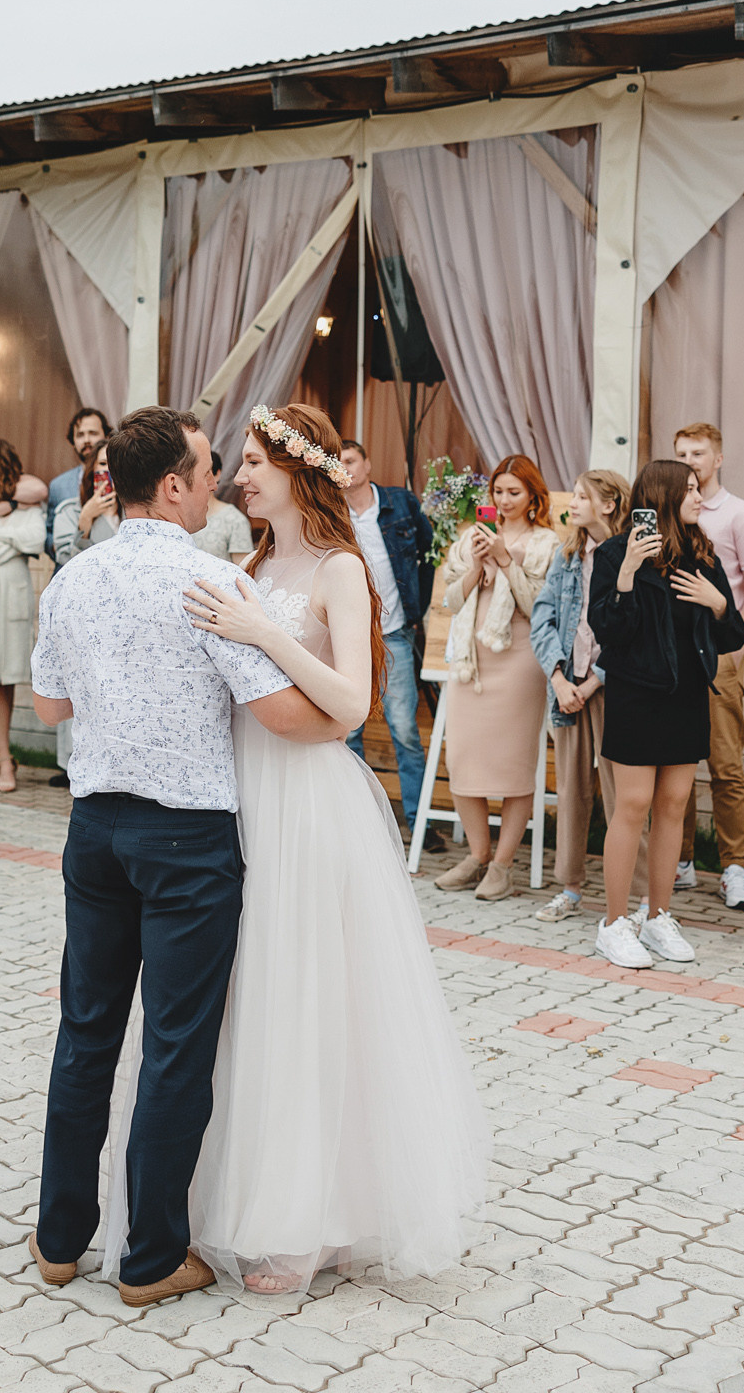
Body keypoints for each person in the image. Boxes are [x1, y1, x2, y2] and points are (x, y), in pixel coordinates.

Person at [131, 401, 489, 1299]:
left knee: (308, 994)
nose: (239, 476)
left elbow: (354, 701)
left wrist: (263, 632)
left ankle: (313, 1217)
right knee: (245, 994)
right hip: (241, 792)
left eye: (252, 460)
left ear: (297, 469)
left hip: (309, 799)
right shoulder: (246, 561)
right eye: (237, 461)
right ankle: (242, 1192)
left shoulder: (337, 569)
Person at [23, 405, 347, 1308]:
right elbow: (282, 715)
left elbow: (49, 709)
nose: (222, 485)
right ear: (171, 485)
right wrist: (342, 727)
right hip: (186, 840)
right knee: (174, 1046)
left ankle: (59, 1239)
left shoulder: (71, 581)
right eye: (208, 470)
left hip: (94, 831)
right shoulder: (210, 584)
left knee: (86, 1032)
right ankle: (154, 1256)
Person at [587, 460, 744, 969]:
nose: (700, 498)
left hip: (686, 697)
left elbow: (732, 637)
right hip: (636, 695)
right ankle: (613, 925)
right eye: (692, 490)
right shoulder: (614, 553)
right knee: (632, 806)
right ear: (663, 496)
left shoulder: (703, 555)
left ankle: (657, 917)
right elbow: (608, 630)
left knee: (674, 804)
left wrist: (718, 602)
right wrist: (631, 571)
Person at [430, 456, 559, 900]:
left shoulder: (547, 544)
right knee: (463, 758)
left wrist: (507, 562)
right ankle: (477, 856)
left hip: (520, 661)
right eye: (498, 493)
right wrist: (475, 569)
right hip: (470, 659)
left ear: (532, 497)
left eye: (513, 493)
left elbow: (540, 605)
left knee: (514, 764)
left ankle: (503, 866)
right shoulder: (471, 539)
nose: (503, 502)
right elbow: (449, 600)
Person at [671, 423, 744, 909]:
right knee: (676, 764)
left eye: (698, 453)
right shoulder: (669, 514)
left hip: (719, 659)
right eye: (681, 453)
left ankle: (735, 868)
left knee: (726, 767)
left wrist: (737, 648)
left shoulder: (740, 515)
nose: (690, 460)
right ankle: (681, 860)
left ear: (719, 458)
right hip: (674, 661)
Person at [529, 469, 630, 924]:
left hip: (613, 690)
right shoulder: (567, 554)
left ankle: (639, 893)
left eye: (582, 496)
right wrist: (557, 679)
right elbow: (542, 617)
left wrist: (594, 682)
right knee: (571, 791)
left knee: (623, 794)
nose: (572, 503)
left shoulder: (629, 554)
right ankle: (569, 888)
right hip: (568, 688)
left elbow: (630, 629)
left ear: (608, 505)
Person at [338, 438, 437, 849]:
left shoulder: (400, 503)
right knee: (349, 730)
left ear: (367, 462)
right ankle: (360, 822)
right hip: (349, 638)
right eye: (337, 463)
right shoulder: (331, 514)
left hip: (396, 632)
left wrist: (419, 609)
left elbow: (429, 554)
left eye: (350, 460)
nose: (344, 469)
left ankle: (419, 824)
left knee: (405, 732)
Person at [0, 439, 47, 793]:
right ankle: (4, 758)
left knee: (8, 677)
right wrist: (8, 538)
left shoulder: (24, 497)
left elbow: (35, 539)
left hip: (14, 597)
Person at [45, 406, 112, 562]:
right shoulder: (58, 485)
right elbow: (48, 531)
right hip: (68, 566)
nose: (87, 440)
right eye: (80, 435)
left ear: (106, 436)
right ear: (73, 441)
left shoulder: (122, 481)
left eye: (93, 433)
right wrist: (56, 546)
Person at [53, 449, 120, 567]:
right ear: (92, 469)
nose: (109, 469)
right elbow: (65, 560)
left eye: (115, 463)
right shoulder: (69, 510)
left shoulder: (134, 510)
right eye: (103, 464)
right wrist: (85, 519)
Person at [189, 450, 254, 564]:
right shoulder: (176, 517)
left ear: (217, 474)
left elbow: (243, 571)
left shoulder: (234, 520)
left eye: (204, 473)